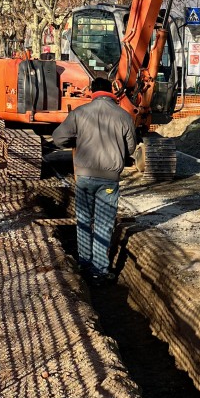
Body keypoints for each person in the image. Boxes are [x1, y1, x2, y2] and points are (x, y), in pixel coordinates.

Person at [52, 77, 137, 284]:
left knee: (83, 220)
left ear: (92, 92)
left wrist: (75, 140)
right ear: (111, 92)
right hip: (109, 180)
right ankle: (99, 271)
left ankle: (84, 264)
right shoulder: (124, 116)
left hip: (84, 177)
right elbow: (132, 148)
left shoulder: (80, 113)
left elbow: (58, 138)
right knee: (104, 223)